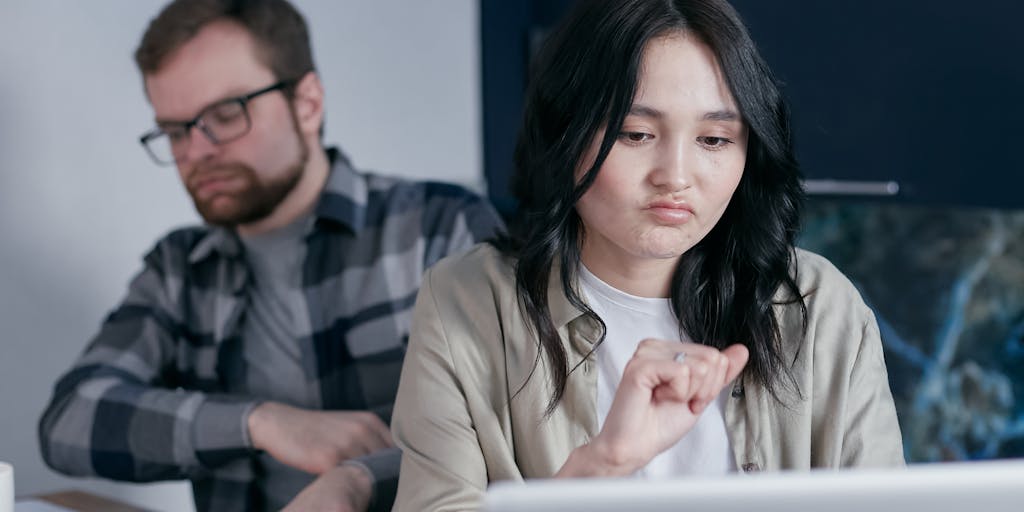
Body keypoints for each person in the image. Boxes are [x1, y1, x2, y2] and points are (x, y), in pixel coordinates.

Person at [390, 0, 905, 509]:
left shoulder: (820, 307)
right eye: (635, 134)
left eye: (714, 139)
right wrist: (602, 467)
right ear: (563, 134)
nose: (675, 176)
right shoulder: (465, 300)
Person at [37, 1, 504, 511]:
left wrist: (358, 479)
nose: (196, 151)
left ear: (307, 104)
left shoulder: (439, 227)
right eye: (174, 131)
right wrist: (260, 422)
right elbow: (69, 420)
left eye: (225, 115)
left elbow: (506, 430)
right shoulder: (179, 270)